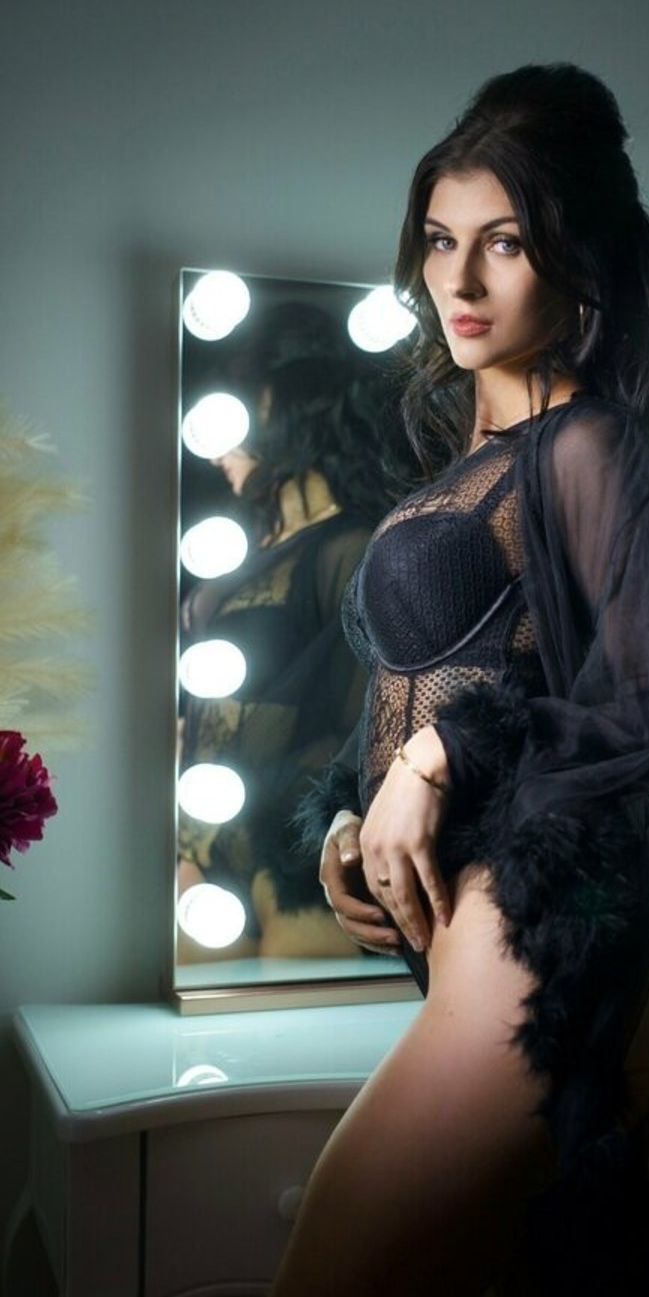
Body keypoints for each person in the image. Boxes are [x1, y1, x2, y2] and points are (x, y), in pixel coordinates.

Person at [241, 66, 649, 1297]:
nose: (460, 276)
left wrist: (435, 761)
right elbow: (434, 686)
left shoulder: (588, 443)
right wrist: (353, 816)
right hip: (485, 945)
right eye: (441, 240)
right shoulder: (458, 471)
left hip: (544, 937)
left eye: (503, 240)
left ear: (576, 251)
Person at [178, 304, 395, 961]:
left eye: (241, 416)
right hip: (206, 845)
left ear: (285, 409)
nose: (219, 447)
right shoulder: (240, 553)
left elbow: (364, 720)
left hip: (297, 858)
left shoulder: (352, 547)